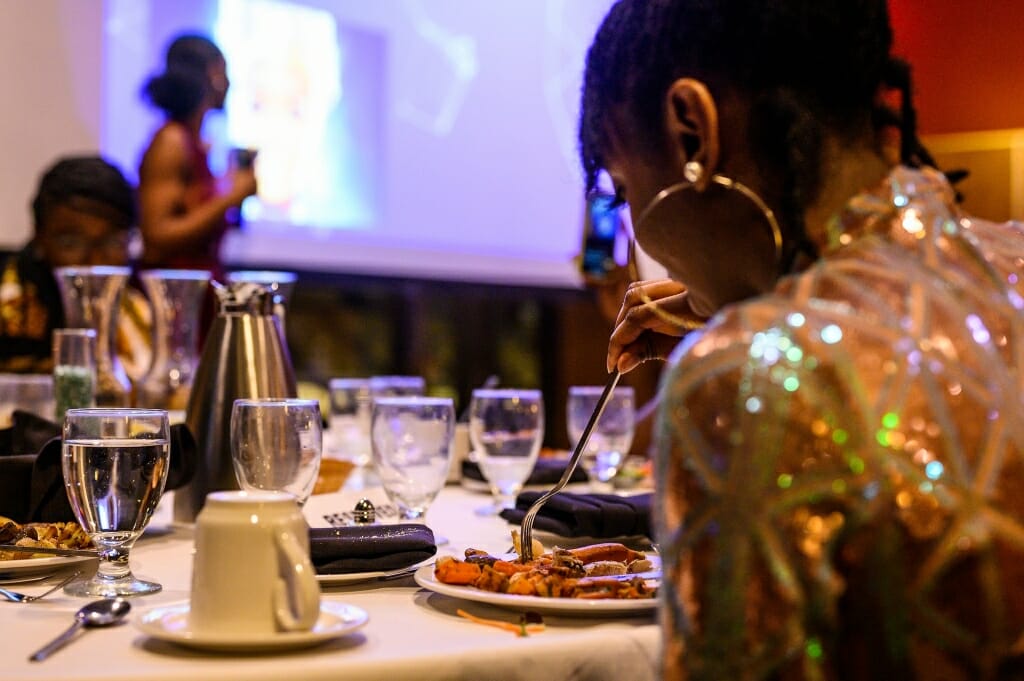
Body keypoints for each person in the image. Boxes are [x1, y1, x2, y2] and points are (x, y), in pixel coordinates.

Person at [580, 1, 1024, 679]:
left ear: (692, 133)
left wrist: (759, 340)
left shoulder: (753, 375)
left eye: (623, 185)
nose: (636, 222)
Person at [0, 156, 150, 378]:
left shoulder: (135, 310)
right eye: (72, 244)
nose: (95, 262)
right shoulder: (7, 296)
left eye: (113, 242)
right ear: (39, 237)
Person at [138, 34, 256, 280]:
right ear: (213, 76)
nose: (229, 83)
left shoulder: (195, 142)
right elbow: (157, 233)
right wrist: (231, 197)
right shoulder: (171, 140)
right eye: (224, 72)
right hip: (175, 296)